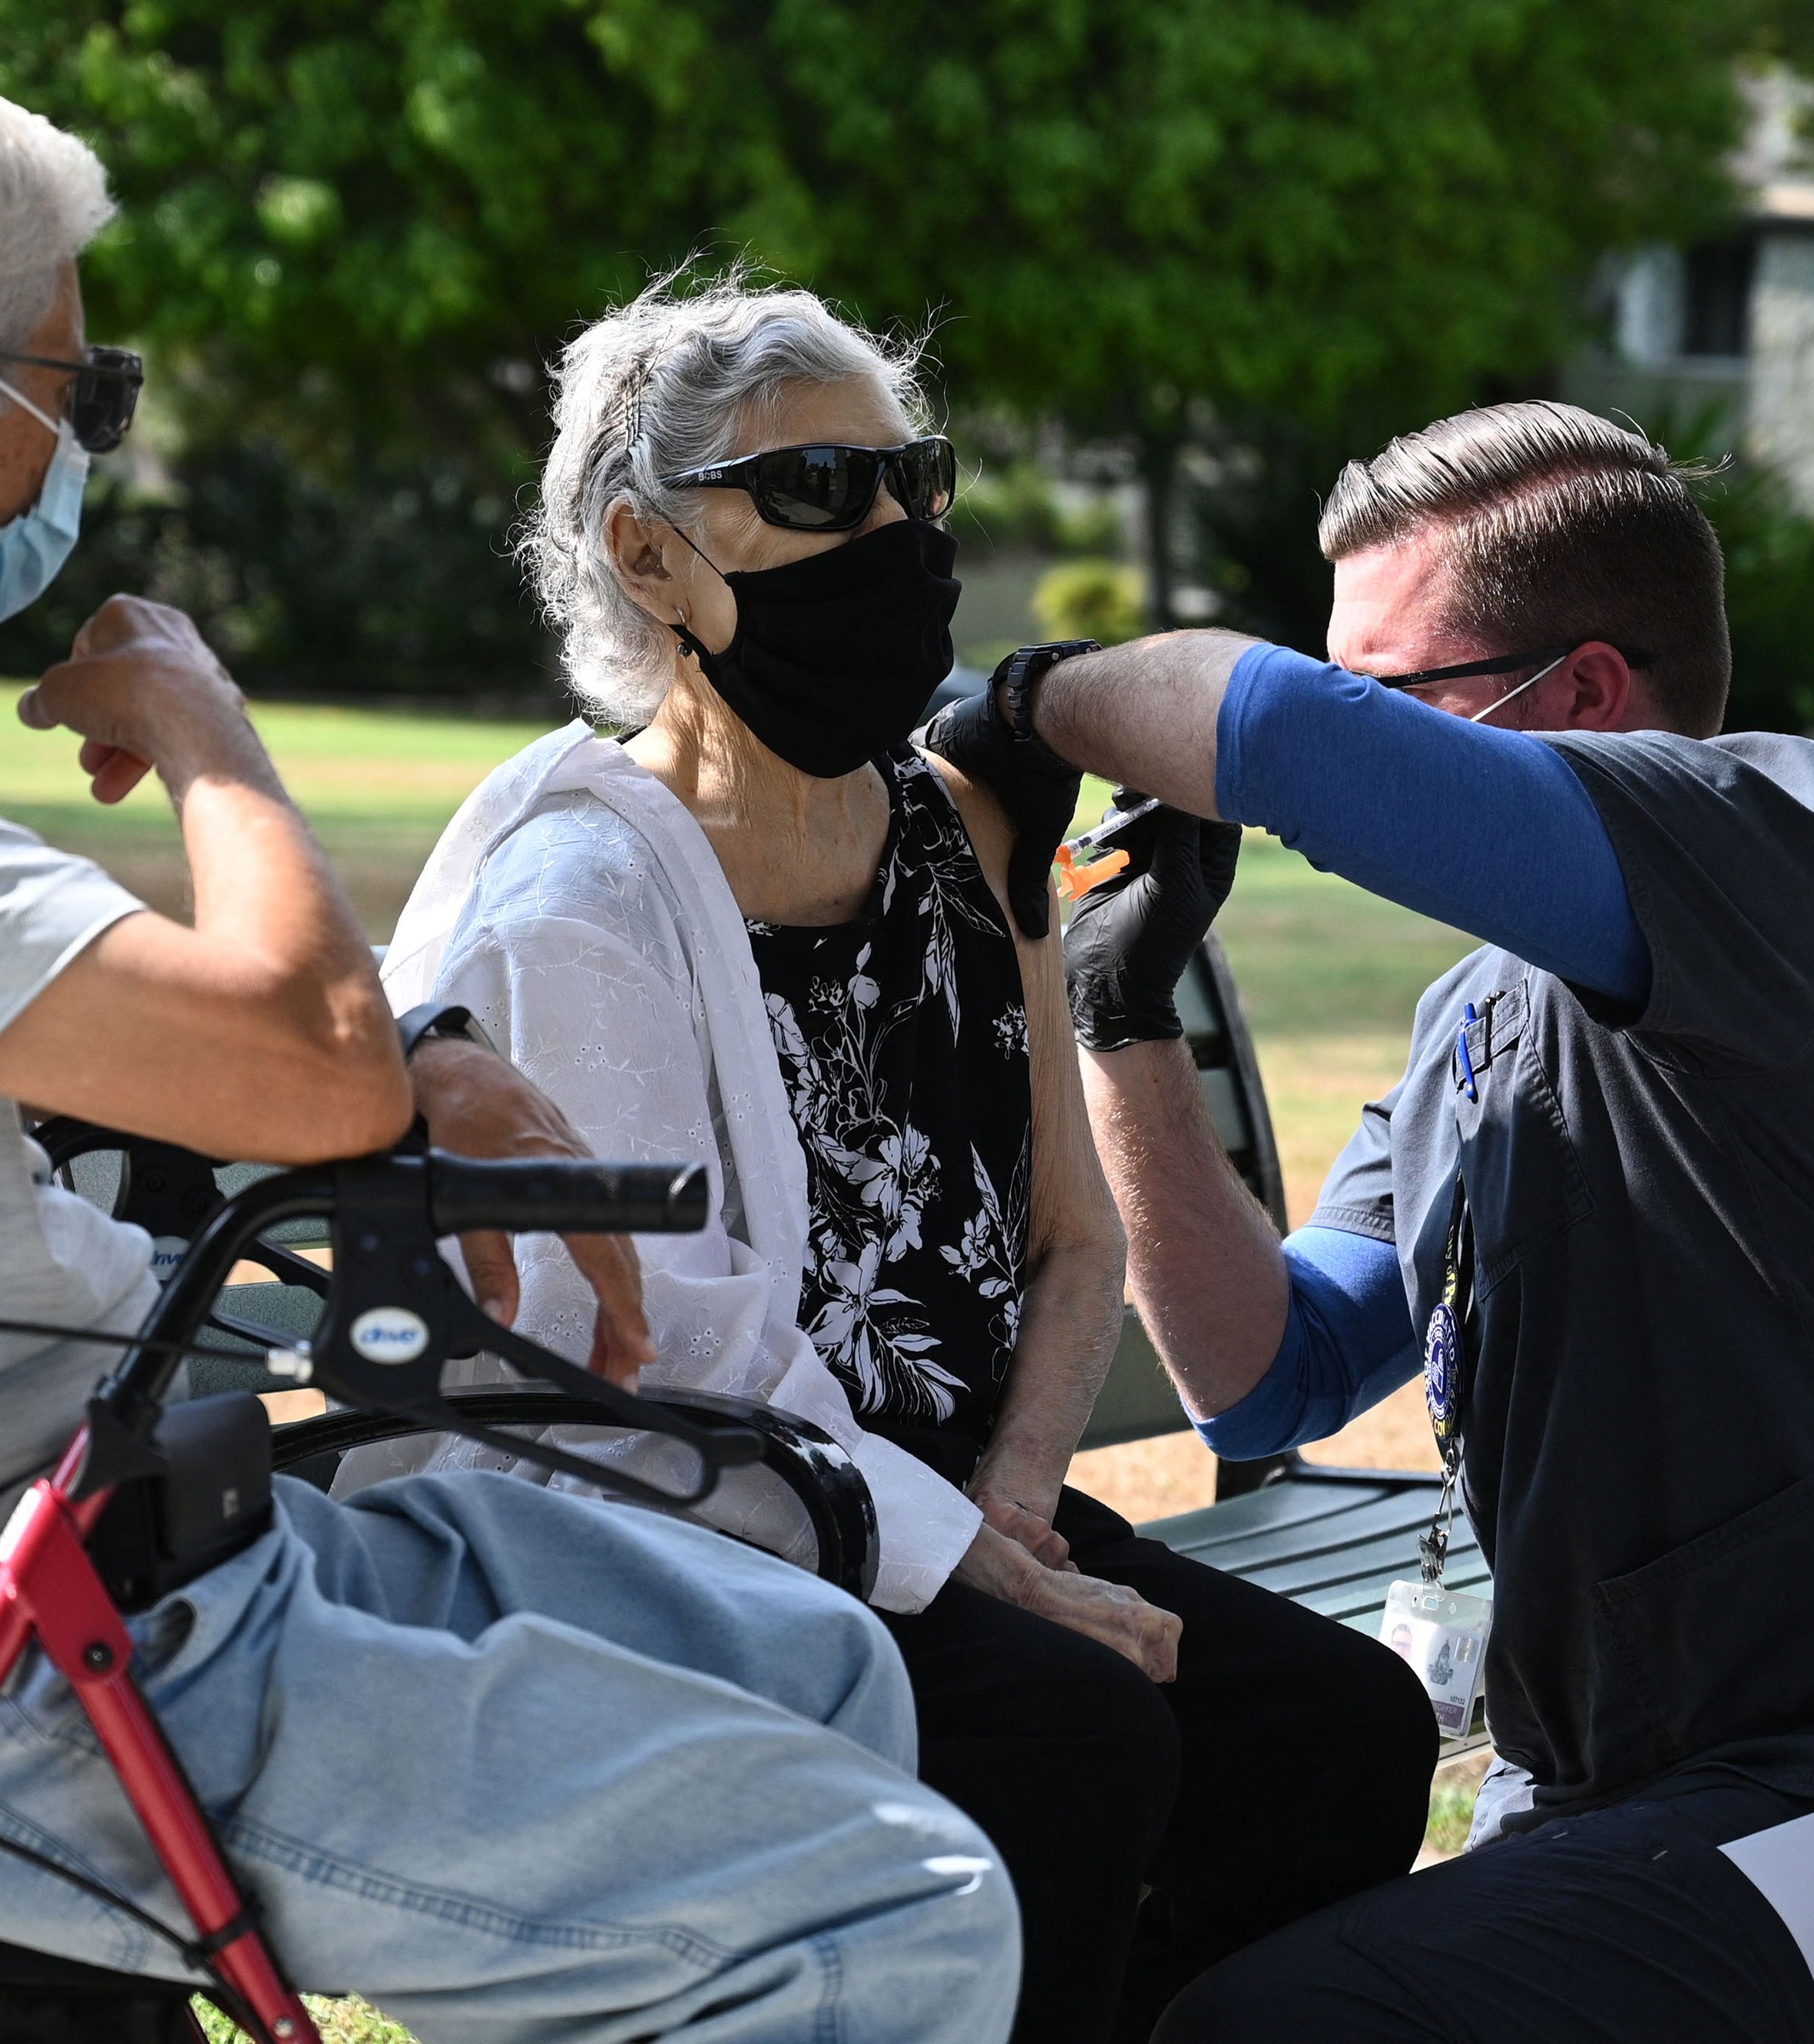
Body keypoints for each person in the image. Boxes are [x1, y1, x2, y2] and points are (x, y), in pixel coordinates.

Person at [0, 58, 1018, 2043]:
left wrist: (417, 1050)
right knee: (884, 1915)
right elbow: (300, 1070)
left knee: (808, 1659)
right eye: (82, 393)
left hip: (61, 1570)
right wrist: (203, 726)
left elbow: (153, 1027)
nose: (82, 448)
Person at [927, 401, 1814, 2043]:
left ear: (1578, 696)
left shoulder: (1772, 835)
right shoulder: (1476, 1012)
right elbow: (1258, 1372)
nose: (1297, 802)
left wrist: (1027, 699)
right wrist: (1117, 1010)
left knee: (1276, 2026)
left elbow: (1280, 730)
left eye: (1392, 688)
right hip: (1629, 1807)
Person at [361, 277, 1436, 2044]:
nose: (889, 534)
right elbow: (649, 1362)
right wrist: (974, 1555)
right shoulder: (582, 892)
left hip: (952, 1506)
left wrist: (1015, 1501)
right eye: (814, 493)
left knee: (1337, 1726)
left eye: (907, 482)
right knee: (1077, 1733)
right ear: (644, 556)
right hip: (703, 1527)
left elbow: (1069, 1243)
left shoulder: (952, 822)